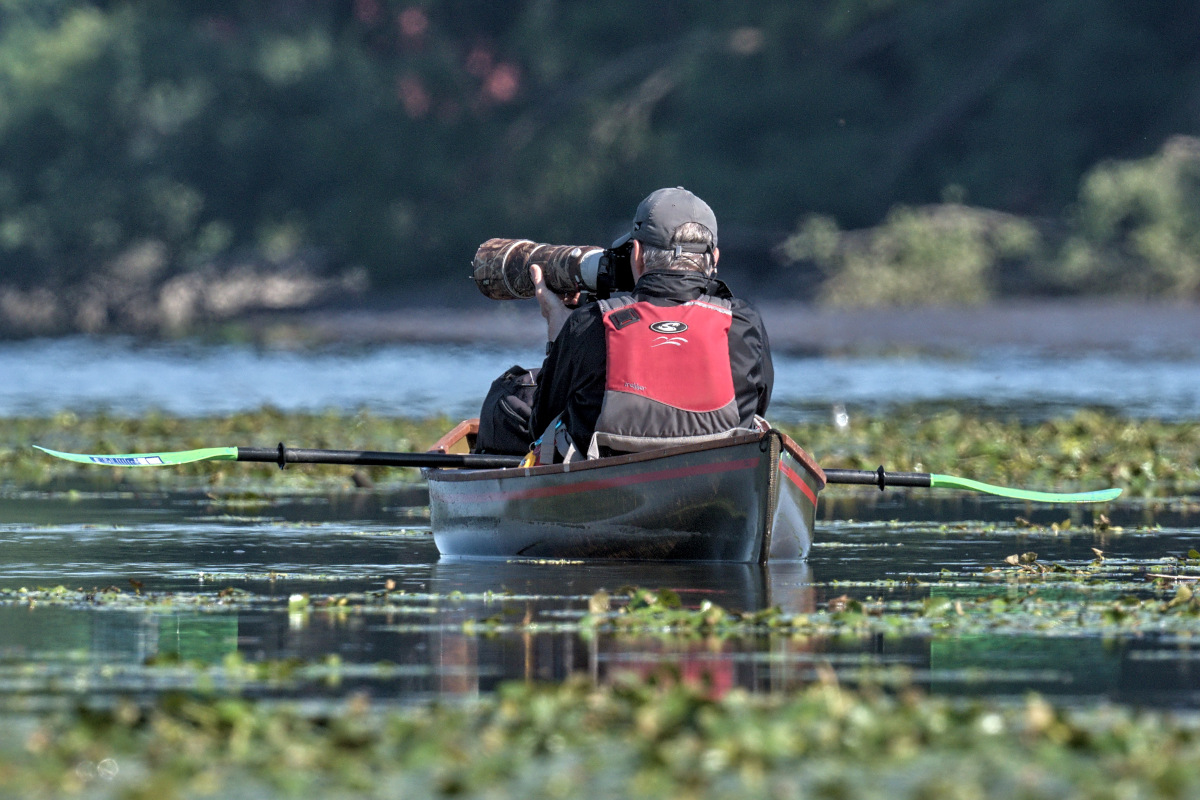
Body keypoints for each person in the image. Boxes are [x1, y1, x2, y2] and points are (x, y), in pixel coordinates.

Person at [475, 187, 773, 461]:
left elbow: (542, 424)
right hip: (720, 474)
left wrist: (559, 332)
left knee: (506, 396)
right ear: (714, 258)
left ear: (639, 254)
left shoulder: (591, 323)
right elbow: (754, 409)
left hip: (606, 471)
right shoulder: (744, 322)